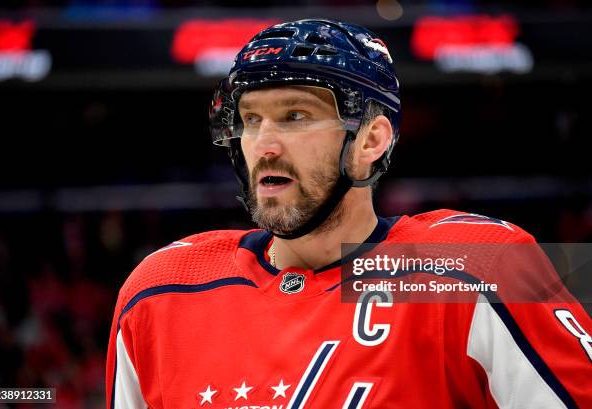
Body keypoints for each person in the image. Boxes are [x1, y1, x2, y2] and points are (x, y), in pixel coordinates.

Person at [106, 19, 591, 408]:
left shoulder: (480, 268)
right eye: (251, 120)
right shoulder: (160, 291)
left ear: (371, 140)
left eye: (296, 116)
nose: (265, 145)